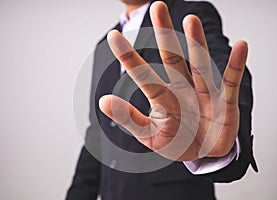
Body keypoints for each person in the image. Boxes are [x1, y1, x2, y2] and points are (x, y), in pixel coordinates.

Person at [66, 0, 258, 199]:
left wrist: (218, 138)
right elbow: (99, 134)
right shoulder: (103, 46)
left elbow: (223, 74)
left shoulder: (188, 13)